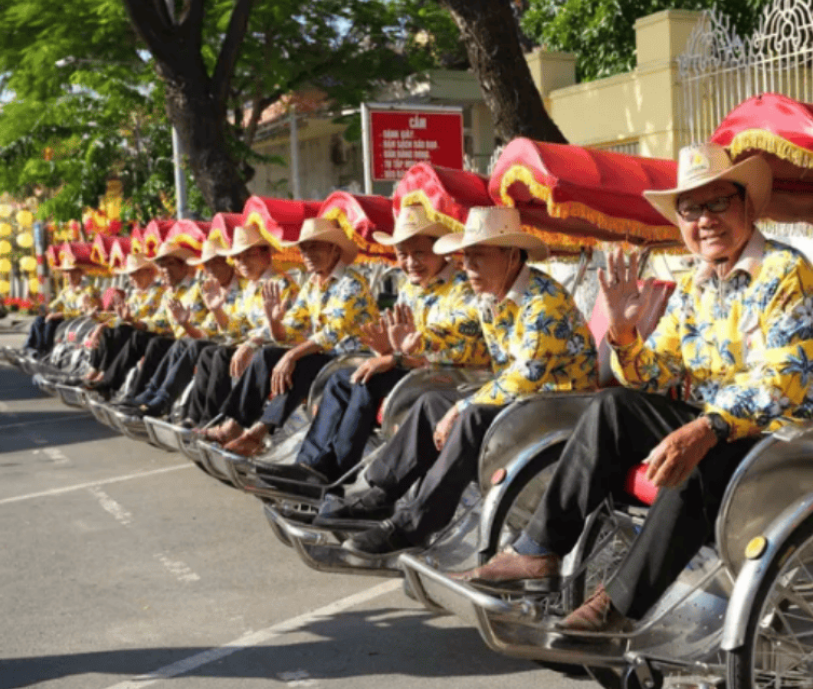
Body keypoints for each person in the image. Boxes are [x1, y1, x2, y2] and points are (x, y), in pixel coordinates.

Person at [460, 142, 813, 631]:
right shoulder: (695, 285)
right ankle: (538, 549)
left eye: (718, 203)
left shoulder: (785, 272)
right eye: (691, 209)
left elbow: (785, 379)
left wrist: (705, 428)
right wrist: (624, 334)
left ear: (747, 208)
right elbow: (657, 373)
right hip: (726, 428)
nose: (705, 220)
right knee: (613, 407)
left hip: (795, 437)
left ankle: (619, 607)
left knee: (699, 455)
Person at [332, 205, 598, 556]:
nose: (468, 266)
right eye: (466, 257)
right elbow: (459, 327)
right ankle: (380, 494)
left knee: (469, 416)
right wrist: (418, 340)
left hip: (560, 410)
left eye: (478, 257)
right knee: (432, 402)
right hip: (523, 405)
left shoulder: (545, 302)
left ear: (511, 256)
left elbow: (526, 376)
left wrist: (461, 406)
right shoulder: (491, 294)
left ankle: (413, 526)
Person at [262, 202, 488, 485]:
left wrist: (395, 357)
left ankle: (334, 472)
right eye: (402, 254)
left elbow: (454, 343)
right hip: (412, 370)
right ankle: (310, 463)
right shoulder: (409, 288)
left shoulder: (463, 287)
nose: (410, 262)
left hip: (450, 377)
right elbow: (397, 343)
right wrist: (388, 350)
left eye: (419, 253)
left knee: (364, 381)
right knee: (342, 380)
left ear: (441, 250)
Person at [201, 217, 378, 456]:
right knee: (267, 355)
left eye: (314, 247)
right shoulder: (311, 284)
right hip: (325, 356)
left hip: (352, 359)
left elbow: (332, 334)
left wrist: (290, 356)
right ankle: (234, 425)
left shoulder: (352, 283)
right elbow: (289, 330)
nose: (307, 254)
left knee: (299, 364)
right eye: (304, 249)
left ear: (334, 249)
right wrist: (274, 321)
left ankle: (258, 433)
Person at [184, 225, 299, 428]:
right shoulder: (251, 287)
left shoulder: (281, 283)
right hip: (255, 347)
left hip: (277, 346)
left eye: (248, 255)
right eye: (237, 258)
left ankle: (213, 421)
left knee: (222, 354)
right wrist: (217, 310)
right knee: (209, 353)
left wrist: (250, 344)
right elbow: (237, 328)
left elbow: (285, 326)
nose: (242, 262)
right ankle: (195, 417)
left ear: (266, 254)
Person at [120, 238, 243, 416]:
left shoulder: (206, 288)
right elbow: (200, 330)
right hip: (197, 340)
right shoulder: (198, 290)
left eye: (216, 262)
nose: (210, 269)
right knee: (169, 342)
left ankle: (162, 401)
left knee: (183, 344)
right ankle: (151, 395)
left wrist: (188, 325)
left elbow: (223, 331)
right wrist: (133, 321)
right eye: (207, 265)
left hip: (229, 343)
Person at [87, 238, 206, 397]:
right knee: (136, 336)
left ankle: (137, 393)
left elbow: (206, 326)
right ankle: (110, 384)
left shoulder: (197, 288)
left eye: (170, 264)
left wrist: (186, 326)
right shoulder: (168, 294)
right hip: (173, 339)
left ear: (184, 266)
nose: (165, 270)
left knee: (143, 339)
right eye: (162, 265)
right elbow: (158, 321)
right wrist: (129, 321)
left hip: (192, 341)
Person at [78, 254, 163, 387]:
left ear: (150, 272)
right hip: (134, 327)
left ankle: (104, 375)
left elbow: (133, 315)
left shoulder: (157, 291)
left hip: (149, 330)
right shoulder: (137, 294)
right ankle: (94, 371)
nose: (133, 278)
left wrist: (102, 323)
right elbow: (121, 315)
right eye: (131, 274)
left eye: (137, 273)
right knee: (108, 331)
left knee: (120, 331)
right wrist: (100, 320)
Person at [24, 253, 94, 356]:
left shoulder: (87, 290)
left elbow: (84, 311)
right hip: (63, 319)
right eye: (67, 272)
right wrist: (36, 304)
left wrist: (60, 314)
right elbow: (52, 307)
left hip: (75, 321)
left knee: (50, 323)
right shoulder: (66, 291)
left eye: (73, 272)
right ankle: (32, 348)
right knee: (39, 320)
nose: (70, 275)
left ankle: (46, 351)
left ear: (80, 273)